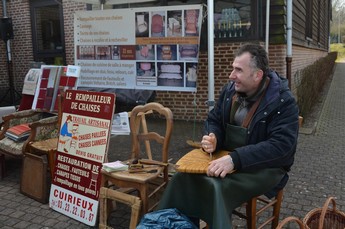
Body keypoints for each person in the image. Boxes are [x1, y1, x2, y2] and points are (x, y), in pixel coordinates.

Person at [158, 43, 299, 228]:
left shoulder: (283, 102)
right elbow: (214, 118)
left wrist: (235, 159)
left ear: (257, 75)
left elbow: (281, 148)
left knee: (216, 187)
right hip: (225, 156)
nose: (231, 75)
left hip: (264, 168)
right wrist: (213, 136)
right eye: (233, 68)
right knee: (181, 178)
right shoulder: (230, 89)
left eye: (238, 70)